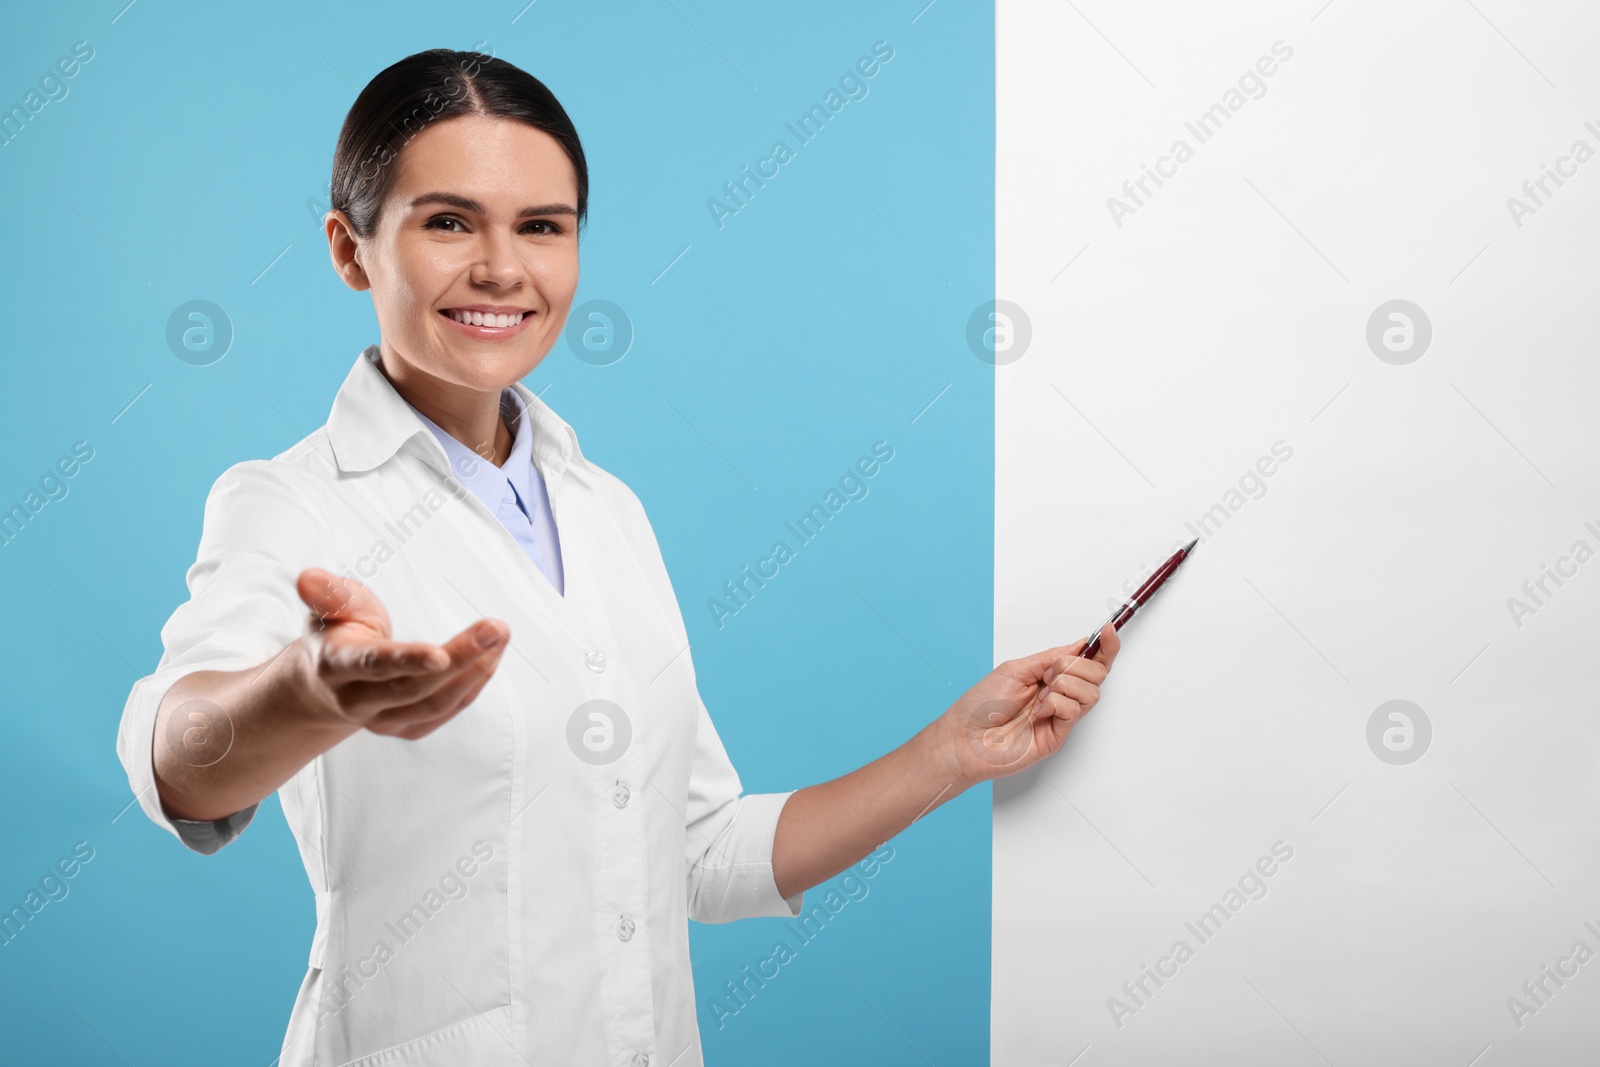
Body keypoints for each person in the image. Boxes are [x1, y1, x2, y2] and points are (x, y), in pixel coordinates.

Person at [114, 47, 1120, 1067]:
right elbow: (175, 758)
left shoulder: (607, 510)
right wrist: (307, 692)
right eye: (448, 220)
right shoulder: (289, 500)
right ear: (349, 248)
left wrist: (949, 752)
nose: (503, 267)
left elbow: (698, 850)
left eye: (542, 227)